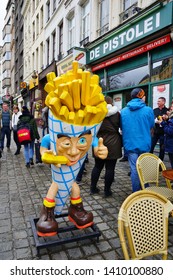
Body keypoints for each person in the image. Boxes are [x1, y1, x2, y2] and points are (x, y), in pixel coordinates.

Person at [36, 61, 108, 237]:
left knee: (74, 188)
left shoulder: (89, 134)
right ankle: (47, 212)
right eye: (67, 143)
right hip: (58, 172)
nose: (75, 152)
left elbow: (95, 148)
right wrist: (48, 156)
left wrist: (100, 151)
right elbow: (43, 150)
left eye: (81, 141)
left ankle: (75, 210)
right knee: (56, 187)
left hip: (70, 172)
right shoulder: (49, 138)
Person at [121, 88, 155, 193]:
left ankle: (136, 193)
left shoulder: (123, 111)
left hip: (130, 144)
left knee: (134, 169)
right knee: (144, 167)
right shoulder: (148, 110)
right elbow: (151, 125)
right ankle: (145, 188)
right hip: (144, 143)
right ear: (141, 96)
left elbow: (122, 127)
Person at [90, 96, 122, 197]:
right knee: (110, 168)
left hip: (99, 142)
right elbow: (121, 127)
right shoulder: (117, 114)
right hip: (114, 143)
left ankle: (93, 188)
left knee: (97, 166)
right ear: (111, 103)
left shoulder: (96, 114)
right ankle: (107, 191)